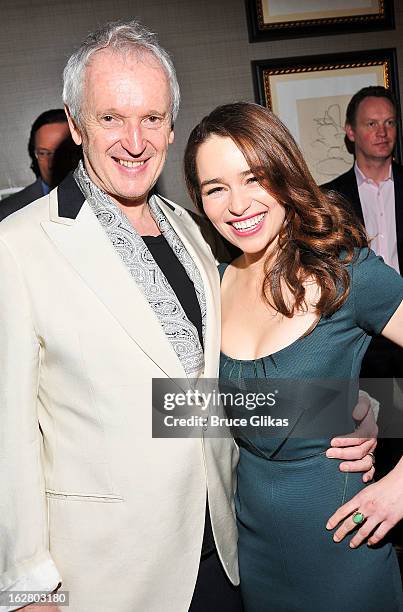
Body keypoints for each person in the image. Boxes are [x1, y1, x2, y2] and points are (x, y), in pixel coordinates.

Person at [0, 20, 376, 612]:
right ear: (75, 126)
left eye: (151, 118)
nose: (134, 139)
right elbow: (7, 435)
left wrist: (350, 408)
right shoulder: (18, 245)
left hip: (227, 555)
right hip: (107, 578)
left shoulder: (194, 231)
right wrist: (25, 587)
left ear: (171, 126)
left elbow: (191, 400)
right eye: (110, 118)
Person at [184, 101, 403, 611]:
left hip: (344, 547)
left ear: (285, 173)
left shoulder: (347, 274)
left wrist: (401, 483)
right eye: (216, 188)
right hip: (251, 560)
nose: (237, 205)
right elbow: (213, 411)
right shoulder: (211, 284)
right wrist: (346, 407)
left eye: (253, 178)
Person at [322, 86, 403, 454]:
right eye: (371, 123)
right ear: (351, 131)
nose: (382, 132)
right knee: (377, 439)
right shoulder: (329, 200)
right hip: (361, 339)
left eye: (389, 122)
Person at [0, 109, 80, 221]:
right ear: (34, 155)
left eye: (62, 152)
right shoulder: (8, 213)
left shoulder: (105, 200)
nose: (52, 162)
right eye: (43, 153)